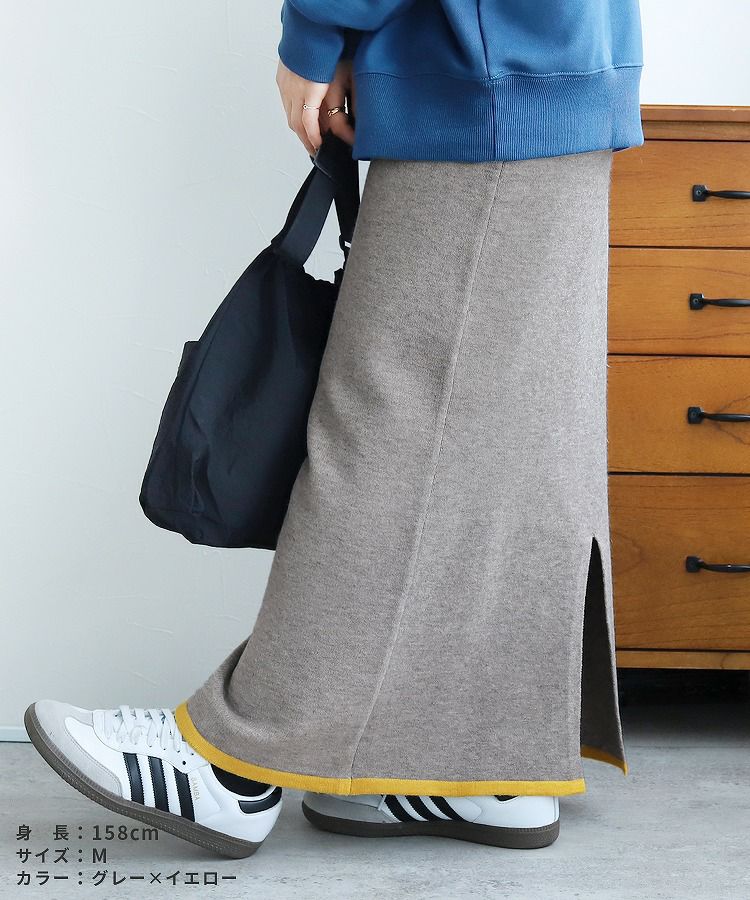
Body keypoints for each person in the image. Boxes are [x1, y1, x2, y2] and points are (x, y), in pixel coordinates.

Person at [25, 0, 644, 859]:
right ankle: (482, 771)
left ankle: (234, 765)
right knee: (505, 443)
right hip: (539, 67)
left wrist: (317, 33)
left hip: (484, 82)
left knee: (387, 432)